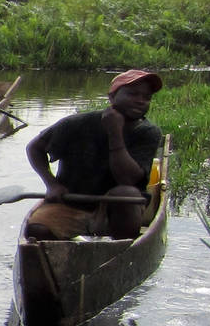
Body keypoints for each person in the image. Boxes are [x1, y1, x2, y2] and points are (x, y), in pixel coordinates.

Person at [23, 69, 163, 241]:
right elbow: (34, 148)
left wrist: (114, 132)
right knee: (37, 231)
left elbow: (128, 179)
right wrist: (51, 184)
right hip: (73, 203)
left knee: (125, 193)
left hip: (121, 212)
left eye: (146, 97)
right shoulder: (78, 123)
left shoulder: (147, 132)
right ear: (112, 97)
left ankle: (121, 250)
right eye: (133, 94)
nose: (141, 101)